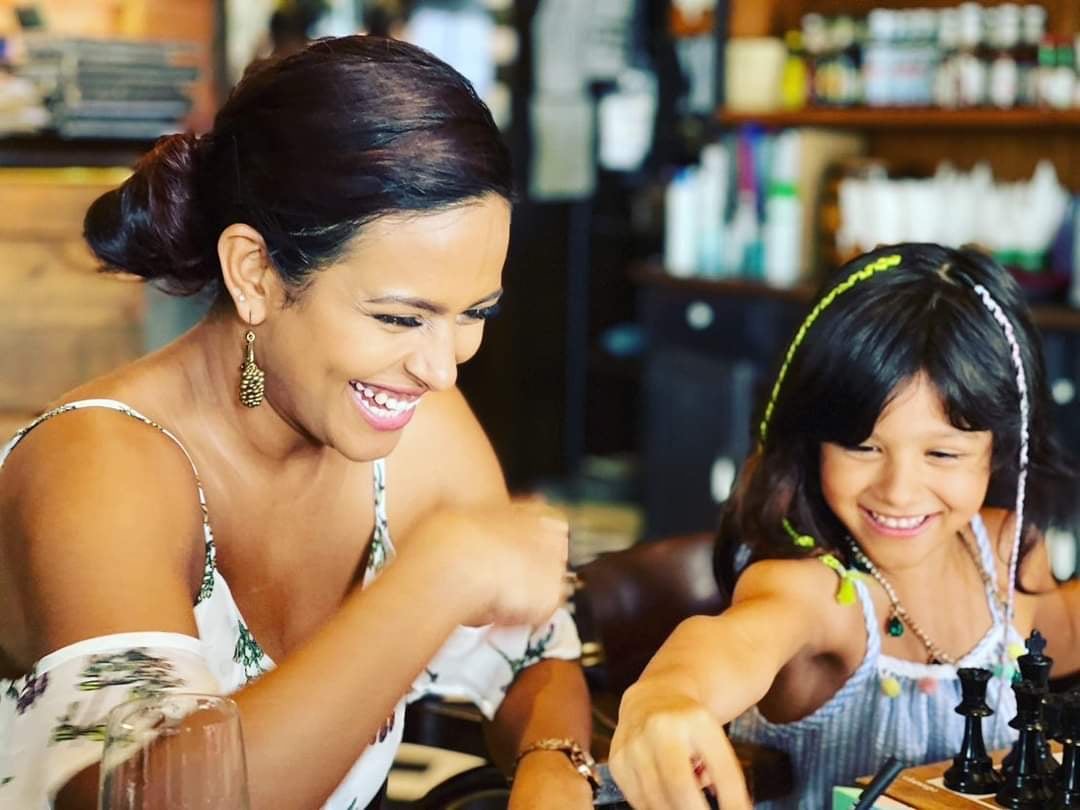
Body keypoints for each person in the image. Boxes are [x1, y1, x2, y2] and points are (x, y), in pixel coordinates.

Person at [0, 36, 595, 810]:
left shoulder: (420, 432)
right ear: (255, 273)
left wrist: (554, 767)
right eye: (399, 317)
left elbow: (537, 660)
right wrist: (430, 584)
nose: (443, 368)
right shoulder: (98, 466)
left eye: (473, 313)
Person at [609, 243, 1080, 809]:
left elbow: (1063, 630)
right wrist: (664, 697)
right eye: (862, 447)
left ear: (999, 447)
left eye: (943, 455)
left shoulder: (1007, 550)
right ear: (813, 441)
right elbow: (732, 641)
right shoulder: (816, 591)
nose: (899, 490)